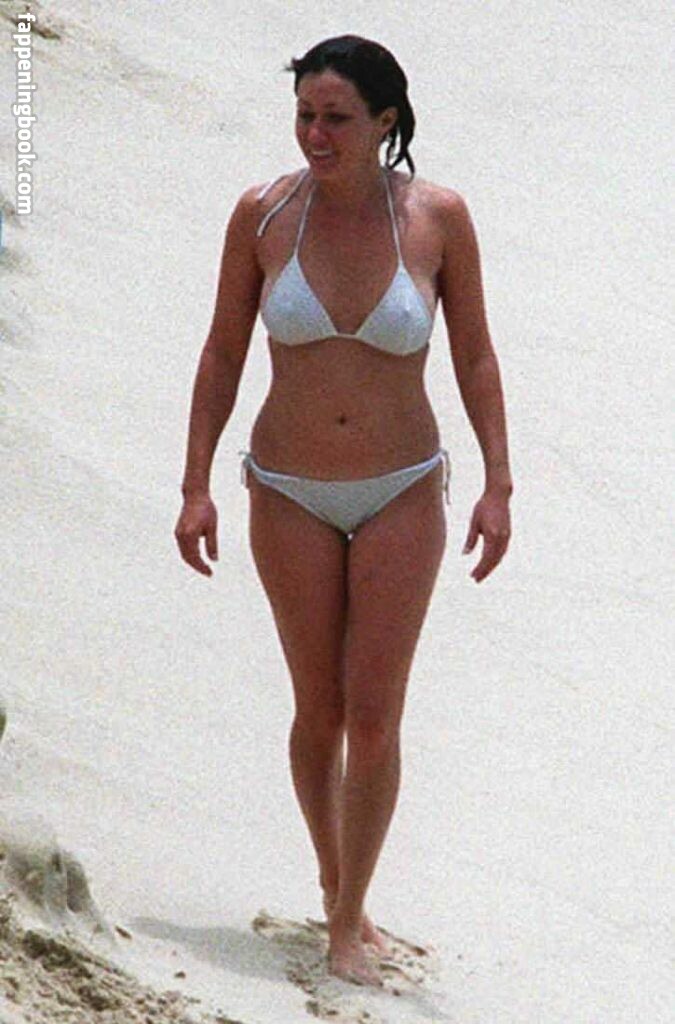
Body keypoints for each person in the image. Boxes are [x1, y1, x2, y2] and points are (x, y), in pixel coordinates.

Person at [175, 34, 512, 988]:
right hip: (287, 488)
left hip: (402, 485)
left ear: (384, 122)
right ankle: (337, 889)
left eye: (336, 118)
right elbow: (222, 352)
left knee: (374, 714)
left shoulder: (437, 219)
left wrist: (497, 482)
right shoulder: (263, 214)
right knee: (316, 711)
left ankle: (347, 918)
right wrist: (196, 484)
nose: (315, 135)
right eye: (304, 116)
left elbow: (475, 354)